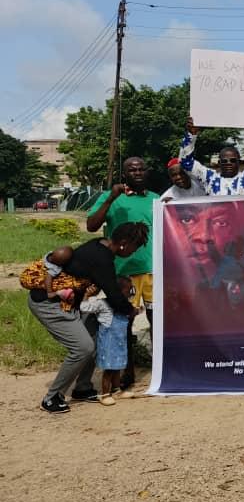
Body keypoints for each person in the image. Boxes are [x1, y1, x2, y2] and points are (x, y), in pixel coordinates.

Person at [29, 222, 148, 414]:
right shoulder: (102, 259)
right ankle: (52, 398)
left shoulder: (99, 244)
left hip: (70, 304)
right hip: (49, 304)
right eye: (134, 248)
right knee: (83, 347)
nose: (133, 253)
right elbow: (114, 295)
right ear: (124, 244)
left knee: (94, 338)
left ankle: (83, 388)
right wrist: (131, 310)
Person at [87, 156, 159, 389]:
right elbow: (91, 226)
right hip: (124, 274)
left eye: (141, 169)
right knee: (123, 324)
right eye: (132, 170)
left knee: (157, 321)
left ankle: (160, 368)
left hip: (154, 271)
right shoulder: (111, 198)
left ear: (146, 172)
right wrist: (111, 197)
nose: (137, 172)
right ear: (124, 174)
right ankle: (127, 371)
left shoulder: (157, 199)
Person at [79, 276, 136, 405]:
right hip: (109, 344)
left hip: (120, 343)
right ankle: (105, 394)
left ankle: (116, 390)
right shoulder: (103, 304)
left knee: (117, 366)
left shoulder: (123, 306)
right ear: (118, 292)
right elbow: (84, 307)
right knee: (109, 369)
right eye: (128, 289)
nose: (131, 292)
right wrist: (87, 295)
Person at [179, 118, 244, 195]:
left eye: (233, 160)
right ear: (219, 163)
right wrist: (191, 135)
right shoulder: (210, 177)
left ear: (239, 162)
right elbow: (186, 162)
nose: (228, 163)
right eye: (224, 161)